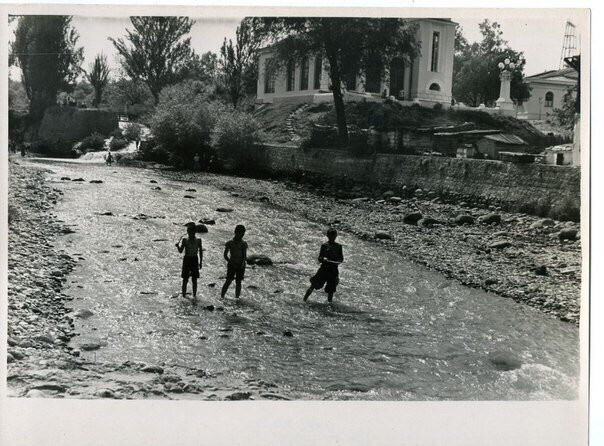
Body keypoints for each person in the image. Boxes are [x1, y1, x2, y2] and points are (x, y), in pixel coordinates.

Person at [304, 228, 344, 303]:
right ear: (327, 236)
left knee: (331, 290)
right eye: (330, 236)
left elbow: (341, 259)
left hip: (333, 270)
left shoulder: (339, 247)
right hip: (324, 269)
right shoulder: (324, 246)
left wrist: (337, 262)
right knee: (313, 285)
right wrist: (323, 259)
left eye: (333, 236)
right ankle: (304, 300)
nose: (332, 237)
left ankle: (329, 304)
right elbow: (319, 258)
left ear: (336, 236)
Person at [176, 222, 203, 302]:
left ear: (195, 232)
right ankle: (184, 295)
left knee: (194, 279)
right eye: (189, 232)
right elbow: (181, 251)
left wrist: (200, 262)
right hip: (187, 259)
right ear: (187, 232)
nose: (190, 234)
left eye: (192, 232)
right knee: (185, 279)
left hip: (194, 259)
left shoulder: (198, 240)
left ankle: (194, 295)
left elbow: (200, 252)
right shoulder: (185, 240)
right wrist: (178, 246)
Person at [221, 225, 248, 299]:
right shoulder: (230, 243)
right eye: (240, 234)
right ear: (235, 232)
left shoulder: (243, 244)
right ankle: (222, 296)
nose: (241, 236)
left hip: (240, 265)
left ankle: (237, 297)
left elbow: (244, 256)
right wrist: (230, 261)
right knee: (228, 281)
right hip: (232, 264)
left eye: (243, 234)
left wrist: (242, 264)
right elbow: (225, 255)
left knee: (238, 282)